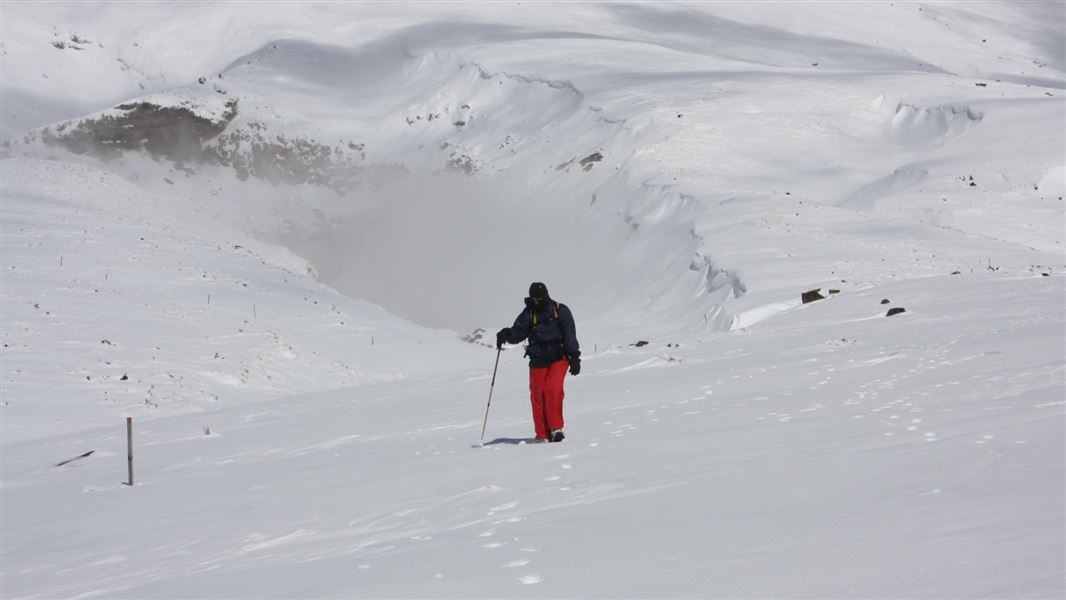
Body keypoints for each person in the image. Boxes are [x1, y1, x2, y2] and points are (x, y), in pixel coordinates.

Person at [496, 282, 581, 443]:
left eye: (540, 298)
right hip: (537, 357)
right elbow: (518, 332)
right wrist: (506, 334)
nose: (537, 301)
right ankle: (542, 434)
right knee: (537, 394)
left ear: (546, 295)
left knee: (551, 389)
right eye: (534, 298)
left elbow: (570, 334)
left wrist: (574, 357)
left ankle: (556, 429)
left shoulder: (560, 310)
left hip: (559, 356)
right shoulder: (529, 313)